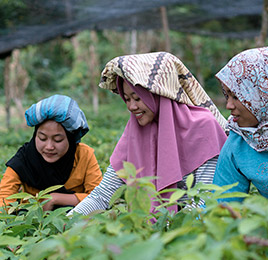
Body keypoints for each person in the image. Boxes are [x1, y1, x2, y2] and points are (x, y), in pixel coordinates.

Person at [68, 51, 227, 216]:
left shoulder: (203, 126)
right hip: (152, 228)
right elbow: (102, 195)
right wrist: (67, 223)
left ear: (159, 93)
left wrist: (168, 232)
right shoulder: (136, 131)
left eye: (137, 98)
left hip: (190, 230)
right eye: (127, 99)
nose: (131, 107)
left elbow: (205, 199)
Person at [0, 94, 103, 211]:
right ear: (35, 136)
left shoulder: (83, 155)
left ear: (70, 139)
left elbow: (99, 198)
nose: (49, 147)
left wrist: (55, 198)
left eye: (58, 140)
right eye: (42, 138)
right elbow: (4, 201)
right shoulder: (23, 159)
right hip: (32, 220)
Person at [213, 46, 268, 202]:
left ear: (267, 94)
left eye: (236, 97)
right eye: (227, 96)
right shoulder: (239, 141)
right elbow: (222, 205)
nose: (229, 106)